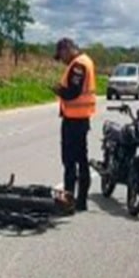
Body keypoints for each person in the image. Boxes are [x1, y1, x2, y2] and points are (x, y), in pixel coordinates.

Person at [51, 37, 97, 212]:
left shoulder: (79, 65)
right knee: (80, 160)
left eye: (61, 55)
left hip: (75, 120)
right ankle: (80, 200)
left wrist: (59, 90)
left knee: (71, 161)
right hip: (79, 118)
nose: (62, 60)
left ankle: (70, 200)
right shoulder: (84, 62)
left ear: (67, 49)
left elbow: (73, 92)